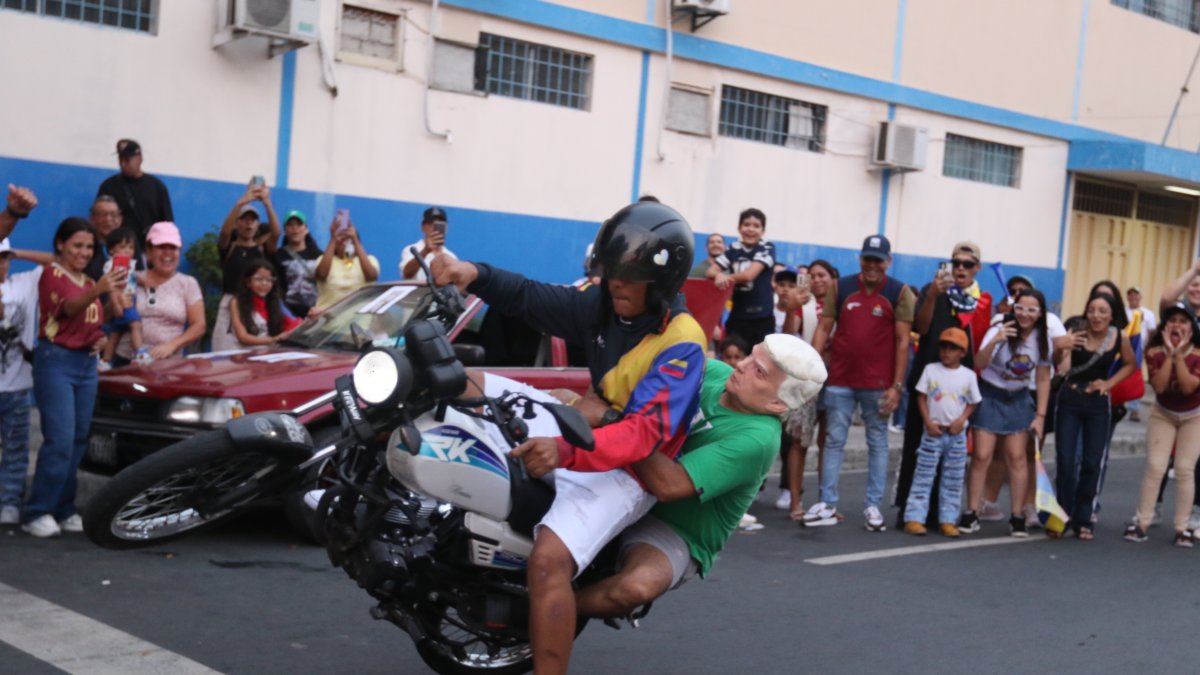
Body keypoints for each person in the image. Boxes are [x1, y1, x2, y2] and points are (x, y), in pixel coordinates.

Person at [431, 201, 705, 675]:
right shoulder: (601, 302)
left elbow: (641, 436)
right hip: (581, 427)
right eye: (611, 272)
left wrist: (563, 451)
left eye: (629, 277)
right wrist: (472, 273)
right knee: (463, 383)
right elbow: (531, 297)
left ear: (662, 283)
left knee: (547, 562)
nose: (615, 283)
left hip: (628, 469)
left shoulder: (682, 344)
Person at [575, 335, 826, 621]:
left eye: (759, 371)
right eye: (750, 356)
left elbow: (668, 484)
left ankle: (552, 611)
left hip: (674, 527)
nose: (740, 365)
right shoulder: (714, 372)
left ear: (778, 404)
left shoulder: (758, 439)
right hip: (626, 480)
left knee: (637, 587)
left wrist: (611, 419)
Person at [804, 235, 915, 531]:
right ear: (860, 258)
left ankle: (873, 506)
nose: (872, 265)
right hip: (840, 379)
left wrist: (896, 386)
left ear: (888, 261)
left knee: (877, 442)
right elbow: (824, 328)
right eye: (868, 259)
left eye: (878, 260)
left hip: (878, 384)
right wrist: (811, 368)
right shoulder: (840, 287)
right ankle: (827, 503)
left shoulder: (899, 292)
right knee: (833, 441)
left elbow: (903, 341)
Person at [22, 218, 123, 538]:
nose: (84, 252)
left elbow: (90, 324)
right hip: (56, 362)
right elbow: (66, 310)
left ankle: (64, 508)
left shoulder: (88, 280)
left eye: (89, 247)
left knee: (79, 439)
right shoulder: (52, 274)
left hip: (85, 365)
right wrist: (99, 289)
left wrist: (101, 338)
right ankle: (38, 511)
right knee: (60, 439)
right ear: (60, 244)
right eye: (77, 245)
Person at [893, 241, 993, 528]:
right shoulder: (932, 290)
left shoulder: (982, 301)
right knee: (917, 447)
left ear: (977, 268)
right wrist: (933, 297)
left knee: (952, 457)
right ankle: (910, 510)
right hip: (928, 382)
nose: (960, 269)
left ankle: (943, 513)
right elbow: (921, 328)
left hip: (960, 388)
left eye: (967, 264)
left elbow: (980, 344)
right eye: (956, 263)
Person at [959, 289, 1052, 536]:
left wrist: (1041, 416)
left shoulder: (1043, 338)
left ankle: (1017, 515)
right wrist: (996, 340)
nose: (1025, 314)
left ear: (1040, 313)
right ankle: (971, 512)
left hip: (1019, 398)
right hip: (991, 394)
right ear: (1013, 308)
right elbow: (979, 363)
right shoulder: (999, 329)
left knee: (1017, 457)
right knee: (982, 456)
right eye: (1020, 308)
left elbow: (1043, 378)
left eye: (1031, 310)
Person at [1052, 292, 1135, 540]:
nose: (1096, 316)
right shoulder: (1076, 331)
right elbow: (1059, 364)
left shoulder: (1119, 337)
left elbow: (1131, 364)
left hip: (1098, 403)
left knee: (1092, 462)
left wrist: (1109, 383)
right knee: (1066, 461)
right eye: (1091, 310)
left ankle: (1083, 518)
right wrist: (1061, 347)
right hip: (1070, 399)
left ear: (1112, 315)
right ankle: (1062, 515)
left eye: (1102, 311)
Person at [1124, 302, 1200, 547]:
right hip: (1163, 412)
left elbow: (1188, 388)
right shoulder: (1154, 350)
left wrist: (1179, 356)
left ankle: (1182, 528)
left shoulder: (1198, 353)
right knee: (1155, 467)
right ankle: (1141, 523)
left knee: (1185, 469)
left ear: (1192, 328)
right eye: (1172, 320)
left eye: (1183, 321)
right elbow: (1158, 386)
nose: (1177, 325)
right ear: (1165, 326)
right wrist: (1170, 355)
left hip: (1194, 415)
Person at [902, 327, 981, 537]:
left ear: (962, 352)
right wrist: (928, 421)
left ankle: (948, 519)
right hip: (933, 431)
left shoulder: (968, 376)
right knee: (924, 475)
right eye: (944, 347)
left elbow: (974, 402)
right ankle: (914, 517)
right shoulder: (931, 370)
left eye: (952, 348)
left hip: (956, 434)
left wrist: (961, 420)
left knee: (953, 479)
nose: (946, 352)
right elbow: (921, 396)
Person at [781, 259, 837, 517]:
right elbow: (787, 337)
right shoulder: (804, 305)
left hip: (835, 379)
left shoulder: (840, 303)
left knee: (828, 443)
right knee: (799, 441)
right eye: (812, 275)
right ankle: (796, 502)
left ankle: (826, 503)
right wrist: (792, 309)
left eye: (822, 275)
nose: (816, 279)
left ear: (832, 278)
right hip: (807, 380)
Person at [115, 222, 205, 362]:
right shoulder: (132, 277)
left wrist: (172, 345)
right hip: (128, 359)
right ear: (149, 251)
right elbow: (109, 314)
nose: (167, 252)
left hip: (169, 361)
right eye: (161, 247)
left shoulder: (188, 283)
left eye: (173, 247)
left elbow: (199, 325)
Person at [0, 236, 41, 526]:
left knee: (16, 450)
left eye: (4, 258)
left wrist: (17, 251)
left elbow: (57, 261)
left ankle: (10, 502)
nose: (1, 264)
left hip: (16, 387)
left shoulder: (24, 283)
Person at [212, 183, 281, 351]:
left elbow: (276, 233)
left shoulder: (262, 249)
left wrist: (267, 203)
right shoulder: (229, 248)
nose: (248, 223)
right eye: (244, 219)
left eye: (253, 220)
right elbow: (224, 233)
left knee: (256, 354)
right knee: (224, 354)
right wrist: (241, 202)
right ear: (237, 223)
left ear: (257, 225)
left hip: (256, 306)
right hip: (230, 304)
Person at [709, 208, 776, 347]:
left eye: (756, 226)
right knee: (733, 355)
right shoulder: (733, 248)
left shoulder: (767, 247)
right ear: (739, 228)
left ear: (763, 231)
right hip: (737, 315)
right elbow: (710, 271)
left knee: (759, 357)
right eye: (746, 225)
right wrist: (718, 274)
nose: (751, 229)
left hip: (761, 317)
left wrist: (725, 277)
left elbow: (749, 275)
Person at [95, 139, 173, 243]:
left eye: (127, 160)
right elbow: (98, 218)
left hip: (148, 247)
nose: (123, 164)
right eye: (120, 160)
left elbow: (167, 224)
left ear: (140, 159)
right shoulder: (108, 186)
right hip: (119, 246)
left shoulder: (157, 187)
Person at [97, 227, 146, 369]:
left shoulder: (129, 264)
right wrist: (116, 304)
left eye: (131, 247)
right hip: (124, 301)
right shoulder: (114, 265)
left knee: (115, 333)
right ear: (111, 250)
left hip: (129, 298)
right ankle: (139, 353)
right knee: (136, 325)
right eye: (123, 247)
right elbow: (113, 287)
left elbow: (132, 277)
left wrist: (141, 281)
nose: (128, 251)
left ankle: (106, 360)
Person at [229, 259, 302, 347]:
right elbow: (242, 337)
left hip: (272, 352)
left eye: (269, 280)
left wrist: (310, 319)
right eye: (259, 279)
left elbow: (293, 324)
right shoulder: (237, 302)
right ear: (248, 282)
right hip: (246, 353)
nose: (264, 283)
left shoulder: (276, 302)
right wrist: (274, 339)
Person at [315, 215, 379, 310]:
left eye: (347, 238)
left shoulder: (370, 259)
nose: (343, 240)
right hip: (328, 316)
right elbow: (321, 275)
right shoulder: (323, 260)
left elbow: (371, 276)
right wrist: (333, 238)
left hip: (359, 316)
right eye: (340, 236)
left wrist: (354, 239)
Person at [274, 210, 322, 318]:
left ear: (306, 229)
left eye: (298, 225)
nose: (294, 228)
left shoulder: (318, 255)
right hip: (290, 314)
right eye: (290, 225)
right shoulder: (278, 256)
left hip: (317, 312)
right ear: (285, 231)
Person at [1125, 286, 1157, 423]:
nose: (1133, 296)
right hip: (1123, 348)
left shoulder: (1148, 314)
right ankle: (1117, 402)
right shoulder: (1123, 312)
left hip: (1139, 349)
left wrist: (1148, 349)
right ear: (1127, 297)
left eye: (1136, 294)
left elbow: (1152, 333)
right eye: (1130, 294)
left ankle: (1134, 408)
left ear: (1140, 296)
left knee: (1135, 377)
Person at [400, 207, 457, 282]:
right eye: (431, 223)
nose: (434, 227)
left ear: (446, 227)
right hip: (418, 290)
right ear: (423, 227)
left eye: (440, 224)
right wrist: (425, 251)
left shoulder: (451, 256)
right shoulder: (411, 249)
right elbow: (407, 274)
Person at [84, 195, 125, 280]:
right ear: (91, 219)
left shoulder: (129, 244)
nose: (108, 219)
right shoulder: (85, 246)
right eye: (102, 214)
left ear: (120, 219)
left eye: (113, 214)